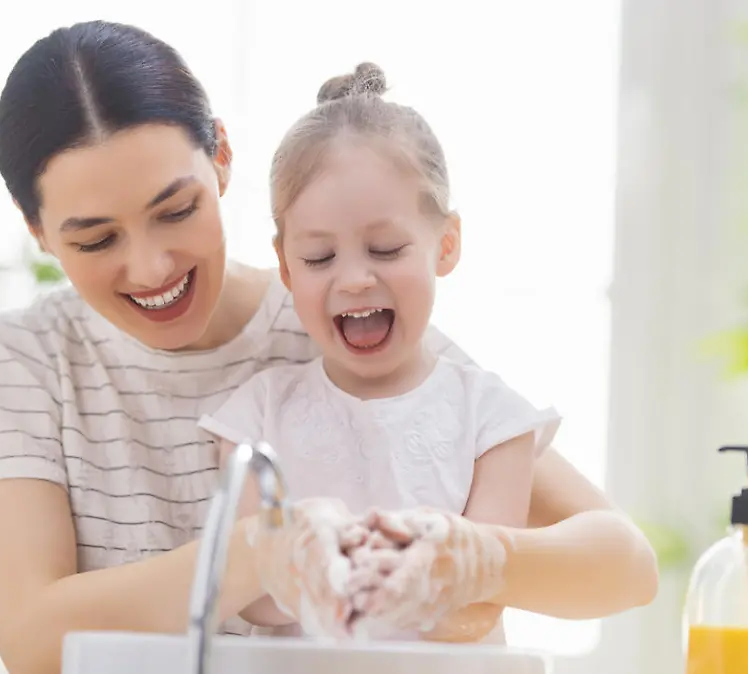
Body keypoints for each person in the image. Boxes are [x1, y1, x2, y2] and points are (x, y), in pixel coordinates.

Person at [0, 19, 658, 674]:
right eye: (96, 237)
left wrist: (475, 559)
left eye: (176, 210)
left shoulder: (341, 321)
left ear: (223, 159)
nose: (150, 268)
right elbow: (33, 642)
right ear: (37, 228)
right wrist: (252, 557)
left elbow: (622, 563)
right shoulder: (19, 363)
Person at [196, 62, 561, 643]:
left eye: (386, 249)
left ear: (446, 245)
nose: (356, 279)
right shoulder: (254, 418)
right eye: (319, 258)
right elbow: (250, 600)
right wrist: (305, 568)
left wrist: (420, 576)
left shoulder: (494, 421)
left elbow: (480, 607)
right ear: (286, 266)